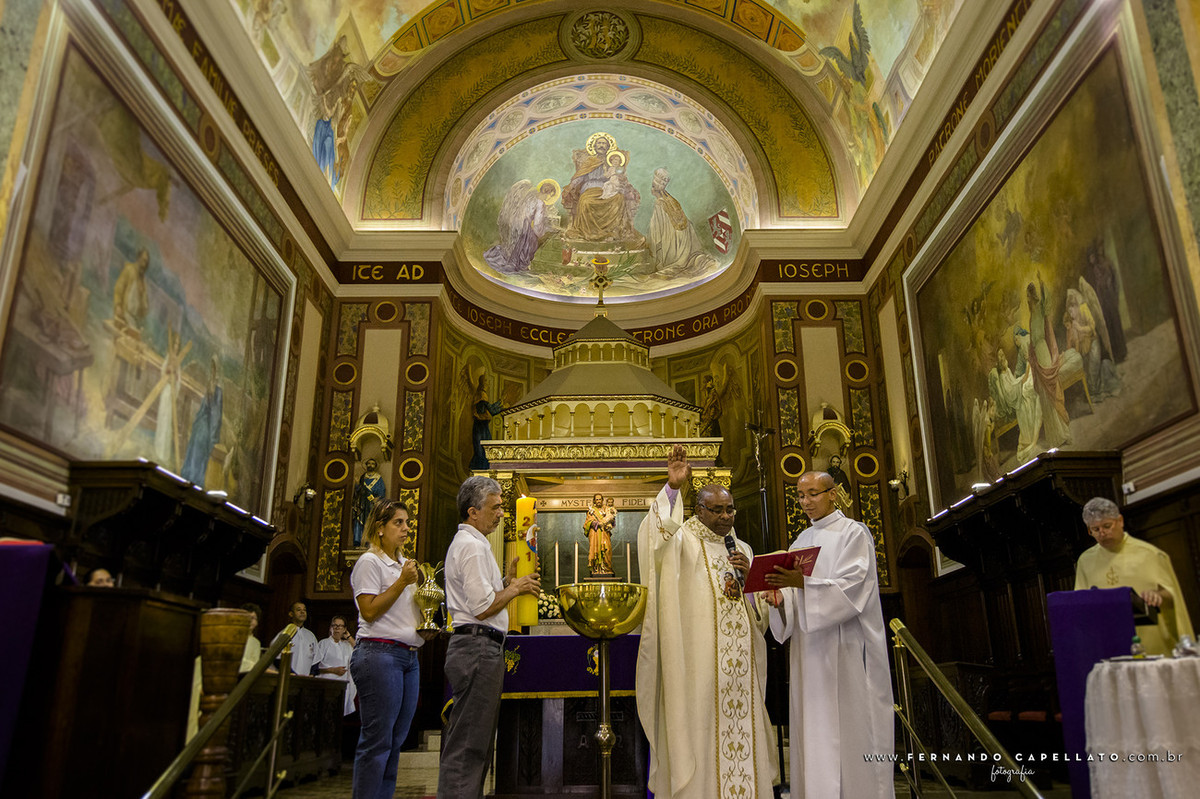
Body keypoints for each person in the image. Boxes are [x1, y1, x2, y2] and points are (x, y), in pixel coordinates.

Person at [635, 444, 776, 798]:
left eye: (730, 509)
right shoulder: (683, 541)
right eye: (717, 510)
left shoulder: (742, 550)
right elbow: (654, 538)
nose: (726, 517)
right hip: (700, 671)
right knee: (702, 736)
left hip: (740, 673)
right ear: (699, 510)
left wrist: (752, 583)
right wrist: (673, 488)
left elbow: (758, 619)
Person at [764, 470, 894, 798]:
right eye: (800, 495)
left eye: (813, 493)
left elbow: (853, 588)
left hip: (846, 648)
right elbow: (794, 603)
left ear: (832, 493)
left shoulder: (854, 533)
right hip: (810, 655)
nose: (806, 502)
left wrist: (801, 584)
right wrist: (781, 600)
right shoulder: (800, 542)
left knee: (852, 729)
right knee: (815, 730)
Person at [439, 476, 541, 799]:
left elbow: (482, 598)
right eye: (495, 507)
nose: (501, 514)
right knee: (468, 743)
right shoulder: (470, 546)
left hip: (480, 647)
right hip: (477, 647)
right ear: (473, 511)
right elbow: (482, 608)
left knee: (477, 741)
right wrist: (516, 588)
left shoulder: (476, 543)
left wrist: (504, 582)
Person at [349, 498, 425, 799]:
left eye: (407, 523)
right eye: (398, 523)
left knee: (395, 741)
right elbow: (369, 611)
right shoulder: (370, 561)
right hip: (379, 654)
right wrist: (402, 582)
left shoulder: (402, 564)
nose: (406, 529)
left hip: (408, 657)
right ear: (380, 528)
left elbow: (404, 612)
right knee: (377, 741)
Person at [1074, 497, 1194, 655]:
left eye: (1107, 526)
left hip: (1151, 641)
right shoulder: (1085, 561)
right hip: (1108, 641)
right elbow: (1080, 602)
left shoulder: (1150, 554)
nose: (1102, 533)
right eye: (1095, 529)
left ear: (1120, 521)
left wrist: (1157, 595)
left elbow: (1173, 597)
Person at [647, 167, 717, 276]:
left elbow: (655, 232)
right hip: (685, 243)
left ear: (656, 188)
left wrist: (650, 246)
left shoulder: (659, 203)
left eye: (653, 186)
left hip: (674, 246)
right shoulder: (671, 199)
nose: (651, 189)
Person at [483, 179, 561, 274]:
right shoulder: (541, 204)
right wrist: (543, 232)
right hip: (525, 227)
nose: (549, 198)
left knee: (516, 244)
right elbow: (537, 225)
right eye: (551, 195)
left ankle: (513, 259)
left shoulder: (529, 195)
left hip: (515, 223)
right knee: (532, 243)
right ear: (548, 193)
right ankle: (520, 263)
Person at [181, 356, 223, 487]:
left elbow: (216, 413)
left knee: (200, 444)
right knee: (195, 441)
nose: (212, 371)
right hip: (202, 422)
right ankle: (189, 474)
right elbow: (204, 406)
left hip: (207, 426)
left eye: (214, 369)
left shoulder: (218, 390)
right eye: (211, 368)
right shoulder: (210, 385)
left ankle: (195, 478)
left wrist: (212, 436)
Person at [314, 615, 358, 716]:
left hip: (343, 687)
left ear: (344, 629)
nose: (337, 628)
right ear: (331, 628)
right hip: (327, 685)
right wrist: (333, 670)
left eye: (340, 626)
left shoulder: (347, 645)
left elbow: (359, 651)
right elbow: (315, 667)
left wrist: (349, 637)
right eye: (335, 625)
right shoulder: (324, 643)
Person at [112, 248, 149, 330]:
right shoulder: (129, 270)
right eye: (143, 260)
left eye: (146, 262)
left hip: (134, 322)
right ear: (138, 258)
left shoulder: (143, 281)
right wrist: (118, 306)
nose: (144, 265)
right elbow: (118, 289)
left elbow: (143, 309)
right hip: (123, 316)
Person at [353, 459, 387, 547]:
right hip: (362, 503)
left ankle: (370, 540)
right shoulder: (362, 477)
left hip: (372, 504)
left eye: (372, 464)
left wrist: (376, 499)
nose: (370, 465)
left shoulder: (378, 478)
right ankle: (359, 540)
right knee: (360, 520)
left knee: (371, 520)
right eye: (368, 463)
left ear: (375, 466)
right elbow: (358, 490)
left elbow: (382, 491)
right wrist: (357, 484)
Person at [281, 600, 317, 677]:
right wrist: (290, 673)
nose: (302, 612)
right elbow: (278, 659)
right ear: (291, 614)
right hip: (288, 677)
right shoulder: (284, 634)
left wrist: (312, 674)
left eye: (304, 610)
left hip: (306, 679)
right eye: (298, 610)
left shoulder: (310, 635)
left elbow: (316, 659)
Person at [583, 492, 612, 576]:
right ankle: (596, 569)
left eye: (600, 499)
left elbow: (612, 522)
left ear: (602, 500)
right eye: (597, 499)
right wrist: (596, 523)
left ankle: (606, 569)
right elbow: (587, 523)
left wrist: (610, 522)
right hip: (595, 534)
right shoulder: (591, 511)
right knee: (596, 549)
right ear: (594, 501)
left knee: (607, 549)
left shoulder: (607, 510)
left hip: (605, 533)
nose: (598, 501)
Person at [239, 602, 263, 674]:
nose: (250, 621)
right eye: (248, 617)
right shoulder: (232, 637)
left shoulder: (256, 643)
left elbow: (255, 666)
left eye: (254, 618)